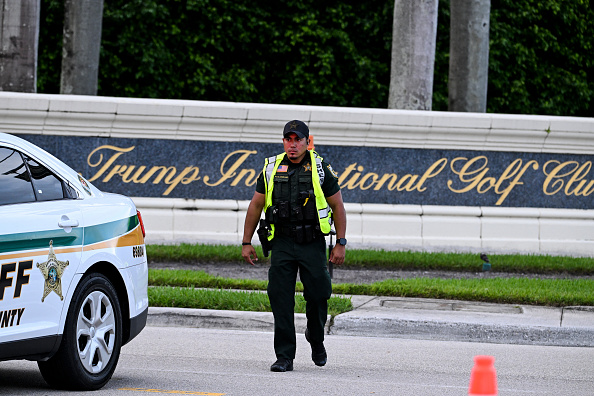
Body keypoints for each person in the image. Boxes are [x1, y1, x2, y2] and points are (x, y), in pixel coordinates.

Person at [241, 120, 347, 372]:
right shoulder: (271, 167)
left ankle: (316, 337)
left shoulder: (321, 168)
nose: (293, 144)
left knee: (320, 293)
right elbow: (256, 205)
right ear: (283, 142)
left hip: (312, 242)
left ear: (306, 142)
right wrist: (246, 242)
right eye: (288, 139)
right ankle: (284, 356)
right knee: (280, 297)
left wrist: (340, 243)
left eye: (297, 139)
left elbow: (338, 206)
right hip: (283, 242)